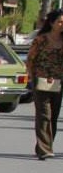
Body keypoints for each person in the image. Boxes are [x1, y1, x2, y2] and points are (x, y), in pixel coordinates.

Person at [26, 9, 63, 160]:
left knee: (53, 115)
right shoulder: (41, 40)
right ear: (52, 23)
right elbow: (30, 59)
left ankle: (46, 145)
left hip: (59, 82)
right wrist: (31, 76)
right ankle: (44, 148)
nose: (62, 25)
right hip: (41, 81)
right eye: (60, 21)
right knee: (44, 114)